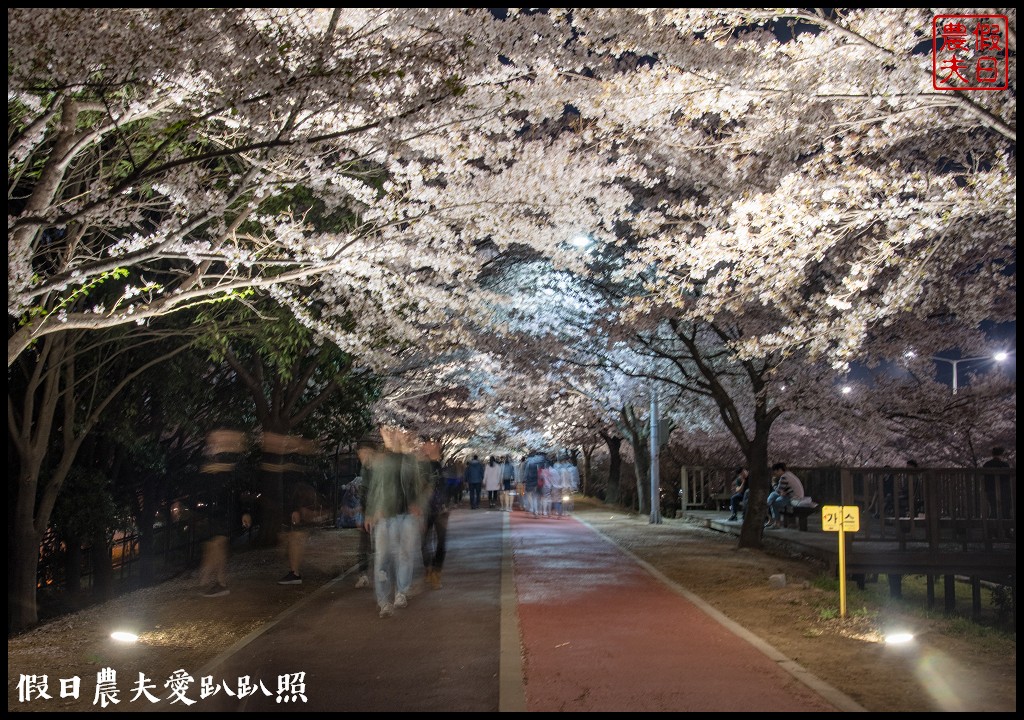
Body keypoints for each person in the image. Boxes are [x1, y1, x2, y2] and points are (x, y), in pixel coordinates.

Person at [365, 426, 427, 618]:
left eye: (397, 432)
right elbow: (373, 486)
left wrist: (418, 506)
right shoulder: (382, 460)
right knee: (382, 558)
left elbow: (418, 484)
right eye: (389, 432)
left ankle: (401, 592)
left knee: (405, 555)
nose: (394, 434)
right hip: (385, 515)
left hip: (407, 515)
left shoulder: (409, 460)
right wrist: (370, 511)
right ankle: (383, 600)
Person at [197, 429, 245, 597]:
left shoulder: (227, 458)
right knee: (212, 544)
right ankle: (210, 579)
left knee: (218, 543)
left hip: (224, 509)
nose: (213, 440)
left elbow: (235, 484)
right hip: (214, 509)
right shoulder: (212, 457)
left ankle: (219, 582)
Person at [419, 439, 448, 590]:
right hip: (425, 508)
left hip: (440, 509)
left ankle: (436, 571)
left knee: (442, 542)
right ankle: (429, 568)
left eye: (431, 443)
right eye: (427, 443)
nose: (428, 446)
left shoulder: (440, 464)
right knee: (424, 542)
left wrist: (445, 503)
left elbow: (443, 487)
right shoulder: (422, 466)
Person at [353, 441, 378, 589]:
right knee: (364, 544)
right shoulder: (365, 469)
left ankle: (382, 572)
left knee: (378, 544)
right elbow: (364, 492)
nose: (360, 456)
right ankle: (363, 574)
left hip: (380, 511)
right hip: (367, 511)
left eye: (362, 453)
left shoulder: (378, 469)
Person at [766, 462, 804, 529]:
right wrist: (782, 492)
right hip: (797, 496)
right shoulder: (789, 474)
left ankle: (776, 522)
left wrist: (773, 483)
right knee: (773, 495)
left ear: (780, 470)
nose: (776, 475)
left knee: (774, 503)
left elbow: (778, 491)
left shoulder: (784, 477)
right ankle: (767, 504)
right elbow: (781, 491)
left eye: (776, 472)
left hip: (794, 499)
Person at [982, 446, 1012, 520]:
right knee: (1006, 508)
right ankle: (1006, 528)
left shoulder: (987, 465)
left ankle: (993, 528)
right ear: (1001, 454)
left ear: (992, 454)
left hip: (991, 491)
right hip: (1003, 492)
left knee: (993, 508)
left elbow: (985, 479)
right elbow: (1008, 479)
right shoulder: (1005, 465)